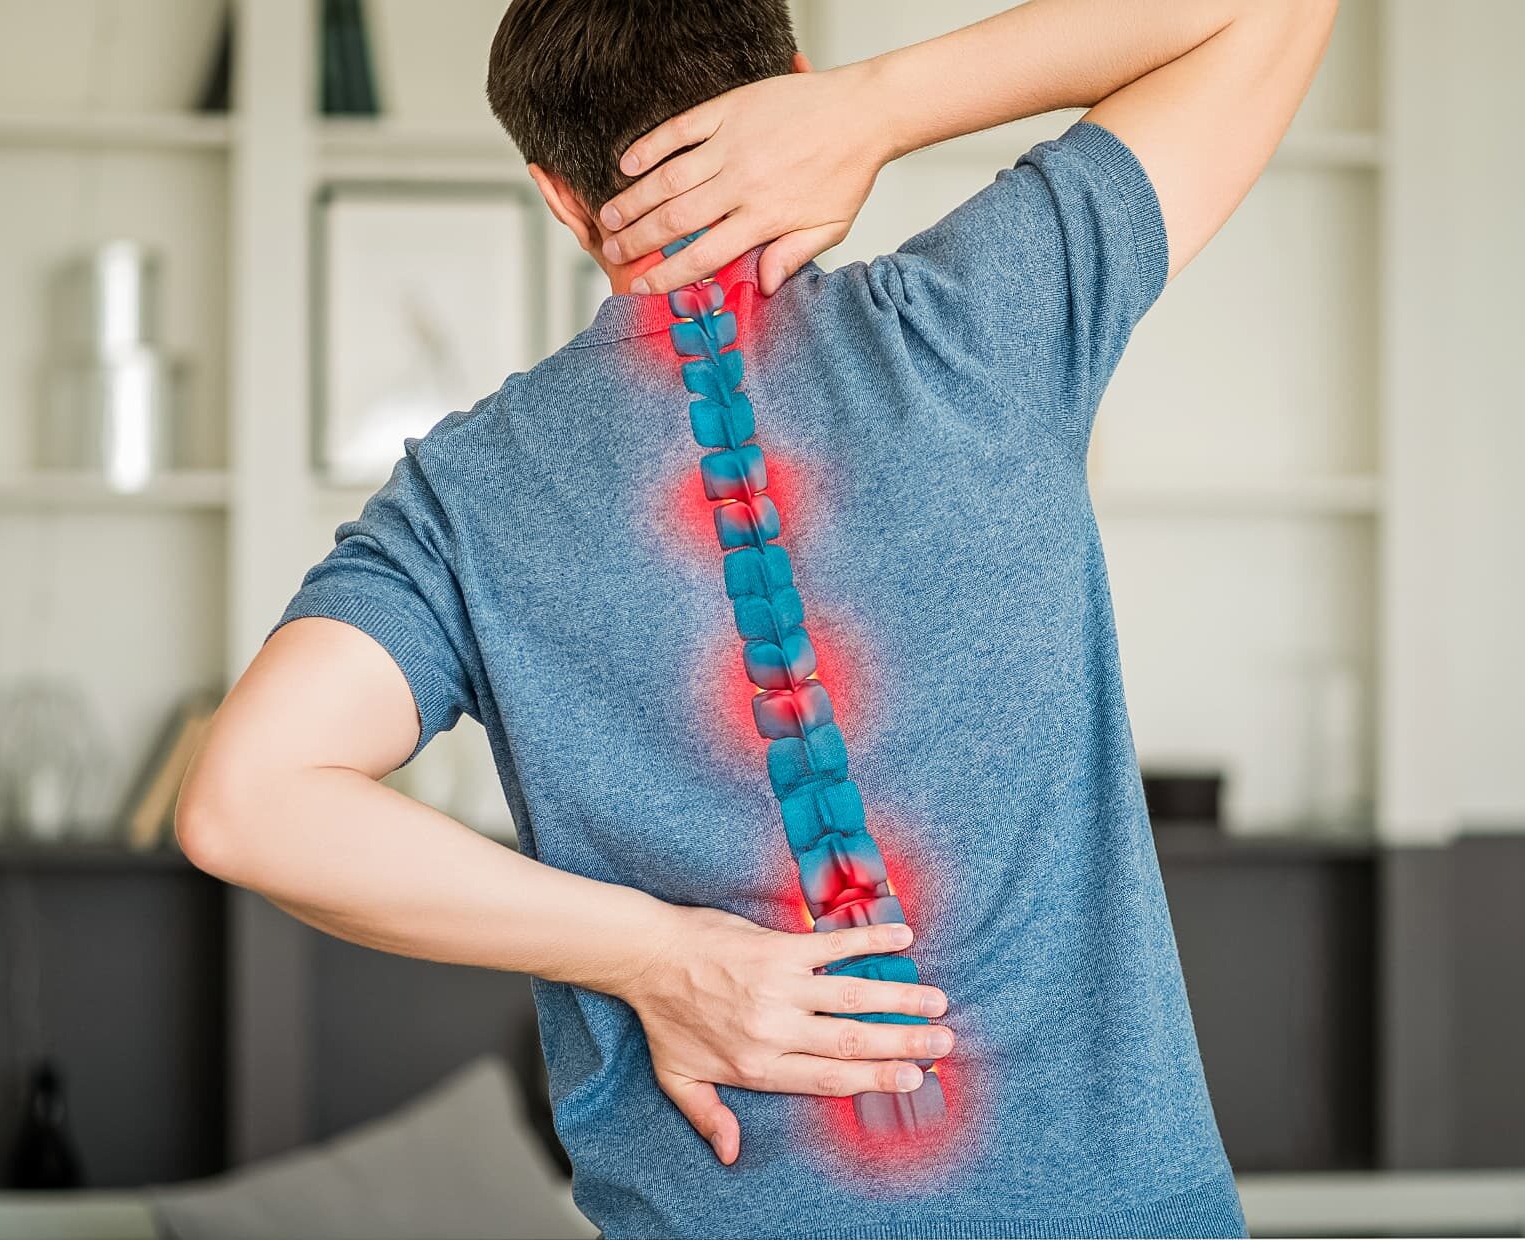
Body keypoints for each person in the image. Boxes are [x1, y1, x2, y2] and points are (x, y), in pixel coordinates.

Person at [176, 0, 1336, 1236]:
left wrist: (655, 955)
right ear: (790, 81)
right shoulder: (987, 316)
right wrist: (879, 107)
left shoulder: (472, 494)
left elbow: (246, 799)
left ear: (556, 198)